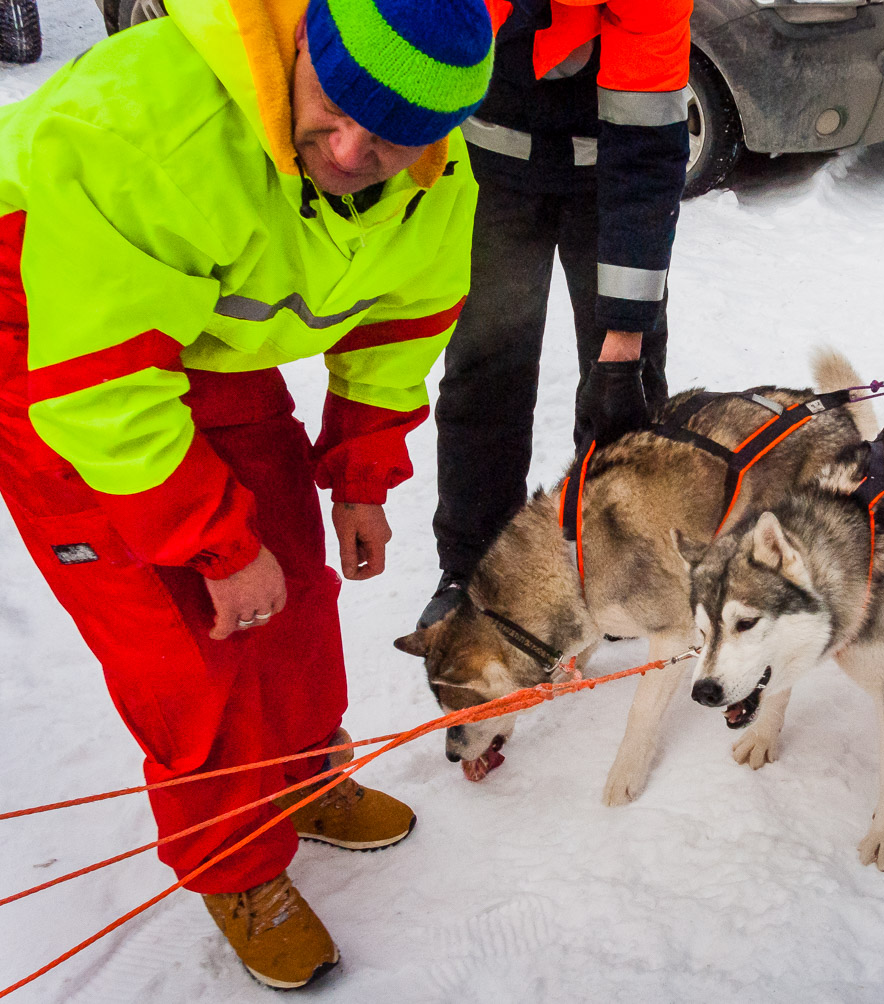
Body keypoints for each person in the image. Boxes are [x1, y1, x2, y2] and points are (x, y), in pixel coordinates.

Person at [0, 0, 492, 987]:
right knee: (187, 637)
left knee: (295, 583)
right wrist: (213, 544)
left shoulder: (434, 181)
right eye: (334, 110)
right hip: (50, 347)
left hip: (188, 331)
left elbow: (403, 322)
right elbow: (98, 389)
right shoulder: (149, 128)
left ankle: (304, 773)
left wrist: (360, 473)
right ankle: (237, 863)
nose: (352, 152)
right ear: (301, 43)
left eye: (391, 142)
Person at [418, 0, 691, 628]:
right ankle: (477, 566)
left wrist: (622, 346)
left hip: (610, 179)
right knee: (487, 368)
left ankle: (621, 557)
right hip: (488, 173)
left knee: (627, 383)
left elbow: (648, 157)